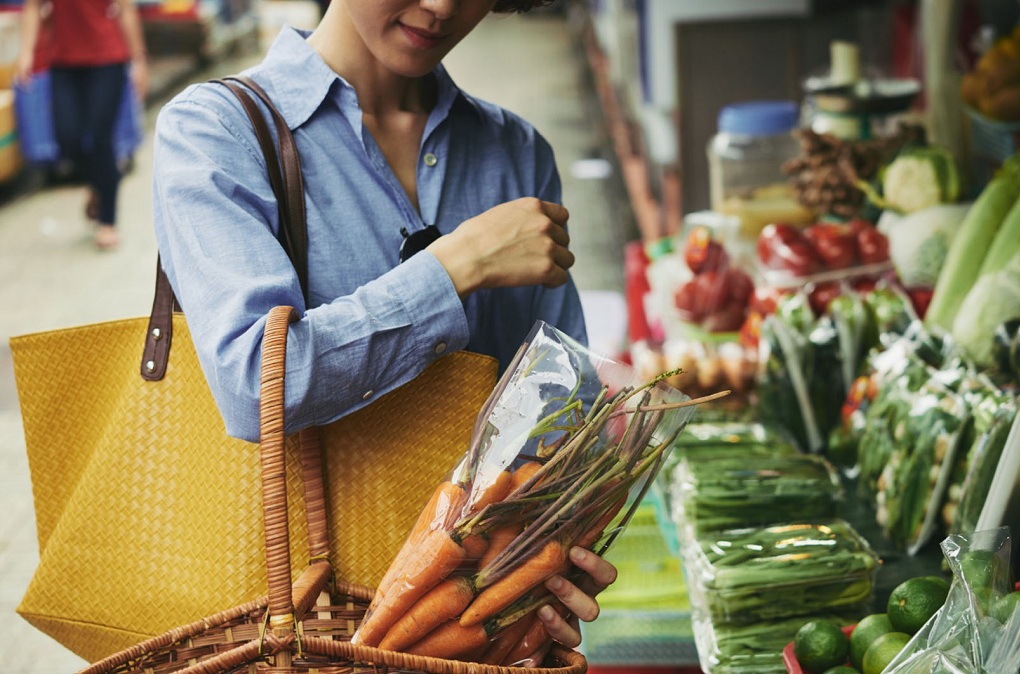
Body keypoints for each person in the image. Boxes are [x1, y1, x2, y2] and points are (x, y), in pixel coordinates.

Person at [151, 0, 608, 657]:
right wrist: (455, 267)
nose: (443, 5)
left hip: (474, 628)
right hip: (293, 633)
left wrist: (555, 545)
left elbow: (563, 408)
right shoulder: (217, 130)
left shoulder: (514, 151)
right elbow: (255, 387)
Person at [15, 0, 149, 250]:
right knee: (67, 138)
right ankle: (101, 181)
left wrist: (139, 61)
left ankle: (107, 222)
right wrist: (26, 53)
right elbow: (33, 7)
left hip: (108, 58)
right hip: (64, 62)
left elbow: (125, 9)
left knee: (100, 137)